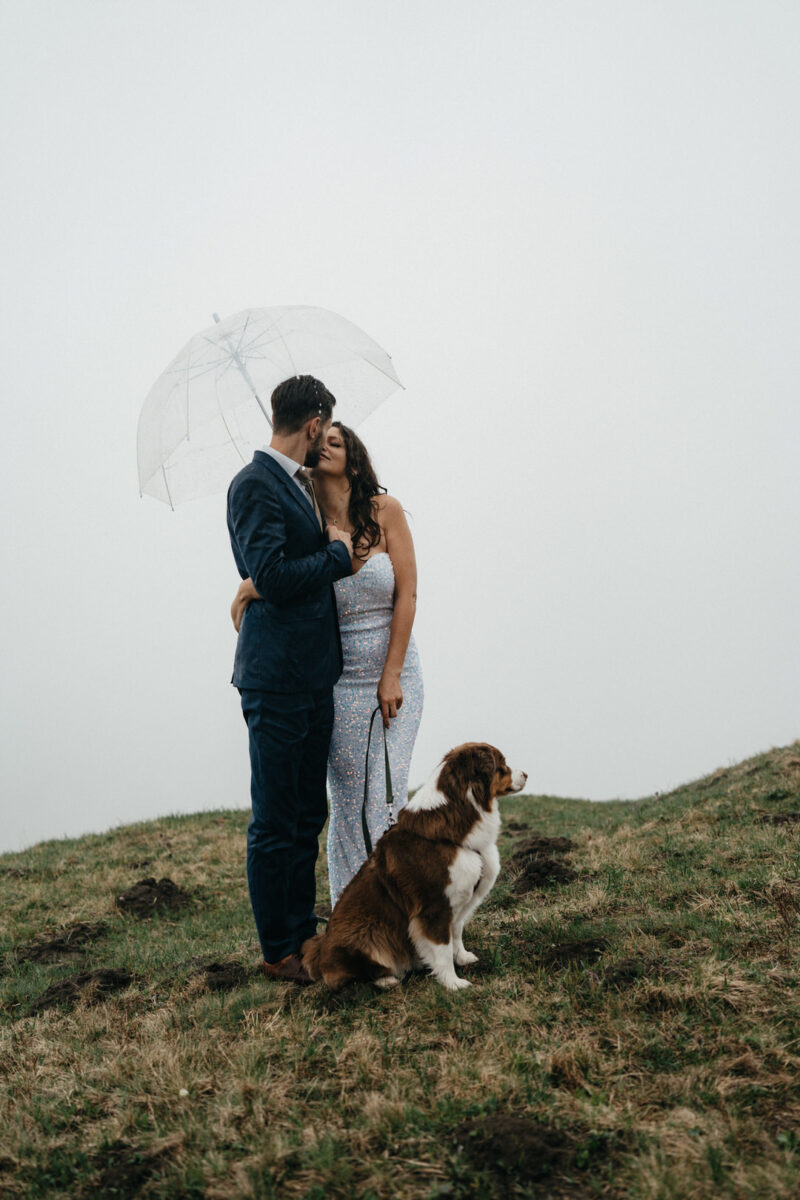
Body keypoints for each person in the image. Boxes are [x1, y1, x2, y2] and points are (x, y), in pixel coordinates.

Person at [232, 421, 424, 906]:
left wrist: (392, 673)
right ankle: (352, 914)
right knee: (346, 802)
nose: (322, 449)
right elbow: (282, 579)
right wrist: (250, 591)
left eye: (334, 443)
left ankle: (404, 910)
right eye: (318, 443)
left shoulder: (386, 512)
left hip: (394, 677)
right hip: (337, 684)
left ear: (353, 460)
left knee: (384, 794)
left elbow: (407, 594)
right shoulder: (307, 524)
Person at [226, 376, 354, 985]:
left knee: (308, 812)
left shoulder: (300, 484)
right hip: (275, 681)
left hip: (314, 677)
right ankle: (277, 948)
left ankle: (304, 931)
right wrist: (336, 555)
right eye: (323, 429)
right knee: (275, 818)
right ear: (312, 424)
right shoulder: (253, 484)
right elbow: (270, 575)